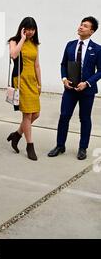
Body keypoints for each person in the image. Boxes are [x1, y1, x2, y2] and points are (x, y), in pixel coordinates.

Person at [48, 16, 101, 160]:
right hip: (70, 89)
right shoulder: (70, 45)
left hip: (87, 90)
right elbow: (63, 64)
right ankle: (60, 145)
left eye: (85, 26)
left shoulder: (97, 49)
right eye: (81, 24)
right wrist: (64, 79)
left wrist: (87, 83)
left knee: (84, 118)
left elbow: (100, 71)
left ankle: (83, 148)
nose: (80, 27)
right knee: (64, 116)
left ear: (91, 31)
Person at [7, 17, 41, 161]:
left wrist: (40, 83)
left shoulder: (35, 44)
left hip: (32, 81)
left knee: (36, 114)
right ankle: (30, 145)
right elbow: (13, 54)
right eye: (28, 29)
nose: (30, 32)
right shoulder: (14, 41)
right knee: (27, 114)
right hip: (20, 80)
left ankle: (17, 135)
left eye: (33, 30)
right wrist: (22, 38)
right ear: (23, 28)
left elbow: (37, 65)